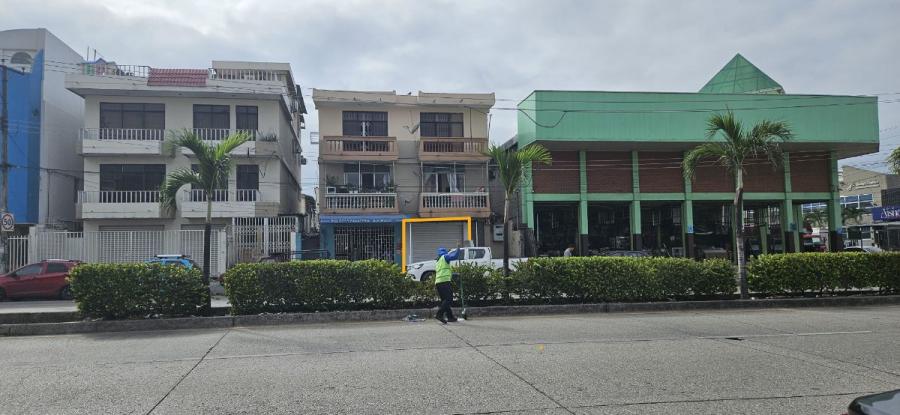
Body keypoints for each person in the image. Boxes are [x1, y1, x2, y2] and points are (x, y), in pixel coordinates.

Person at [434, 247, 460, 324]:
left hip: (438, 282)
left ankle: (450, 317)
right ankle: (439, 314)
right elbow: (455, 256)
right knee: (449, 299)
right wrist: (458, 248)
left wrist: (455, 274)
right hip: (444, 281)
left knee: (445, 301)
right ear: (445, 252)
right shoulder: (445, 256)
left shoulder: (438, 261)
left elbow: (444, 271)